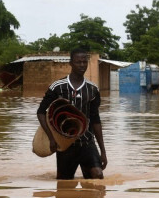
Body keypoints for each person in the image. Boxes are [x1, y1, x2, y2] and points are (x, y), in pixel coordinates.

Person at [36, 48, 107, 180]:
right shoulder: (57, 87)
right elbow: (41, 112)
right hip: (65, 145)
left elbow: (96, 120)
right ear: (70, 63)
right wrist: (51, 138)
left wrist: (103, 151)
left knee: (98, 176)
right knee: (64, 185)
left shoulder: (92, 89)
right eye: (78, 62)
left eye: (84, 62)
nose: (82, 65)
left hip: (87, 143)